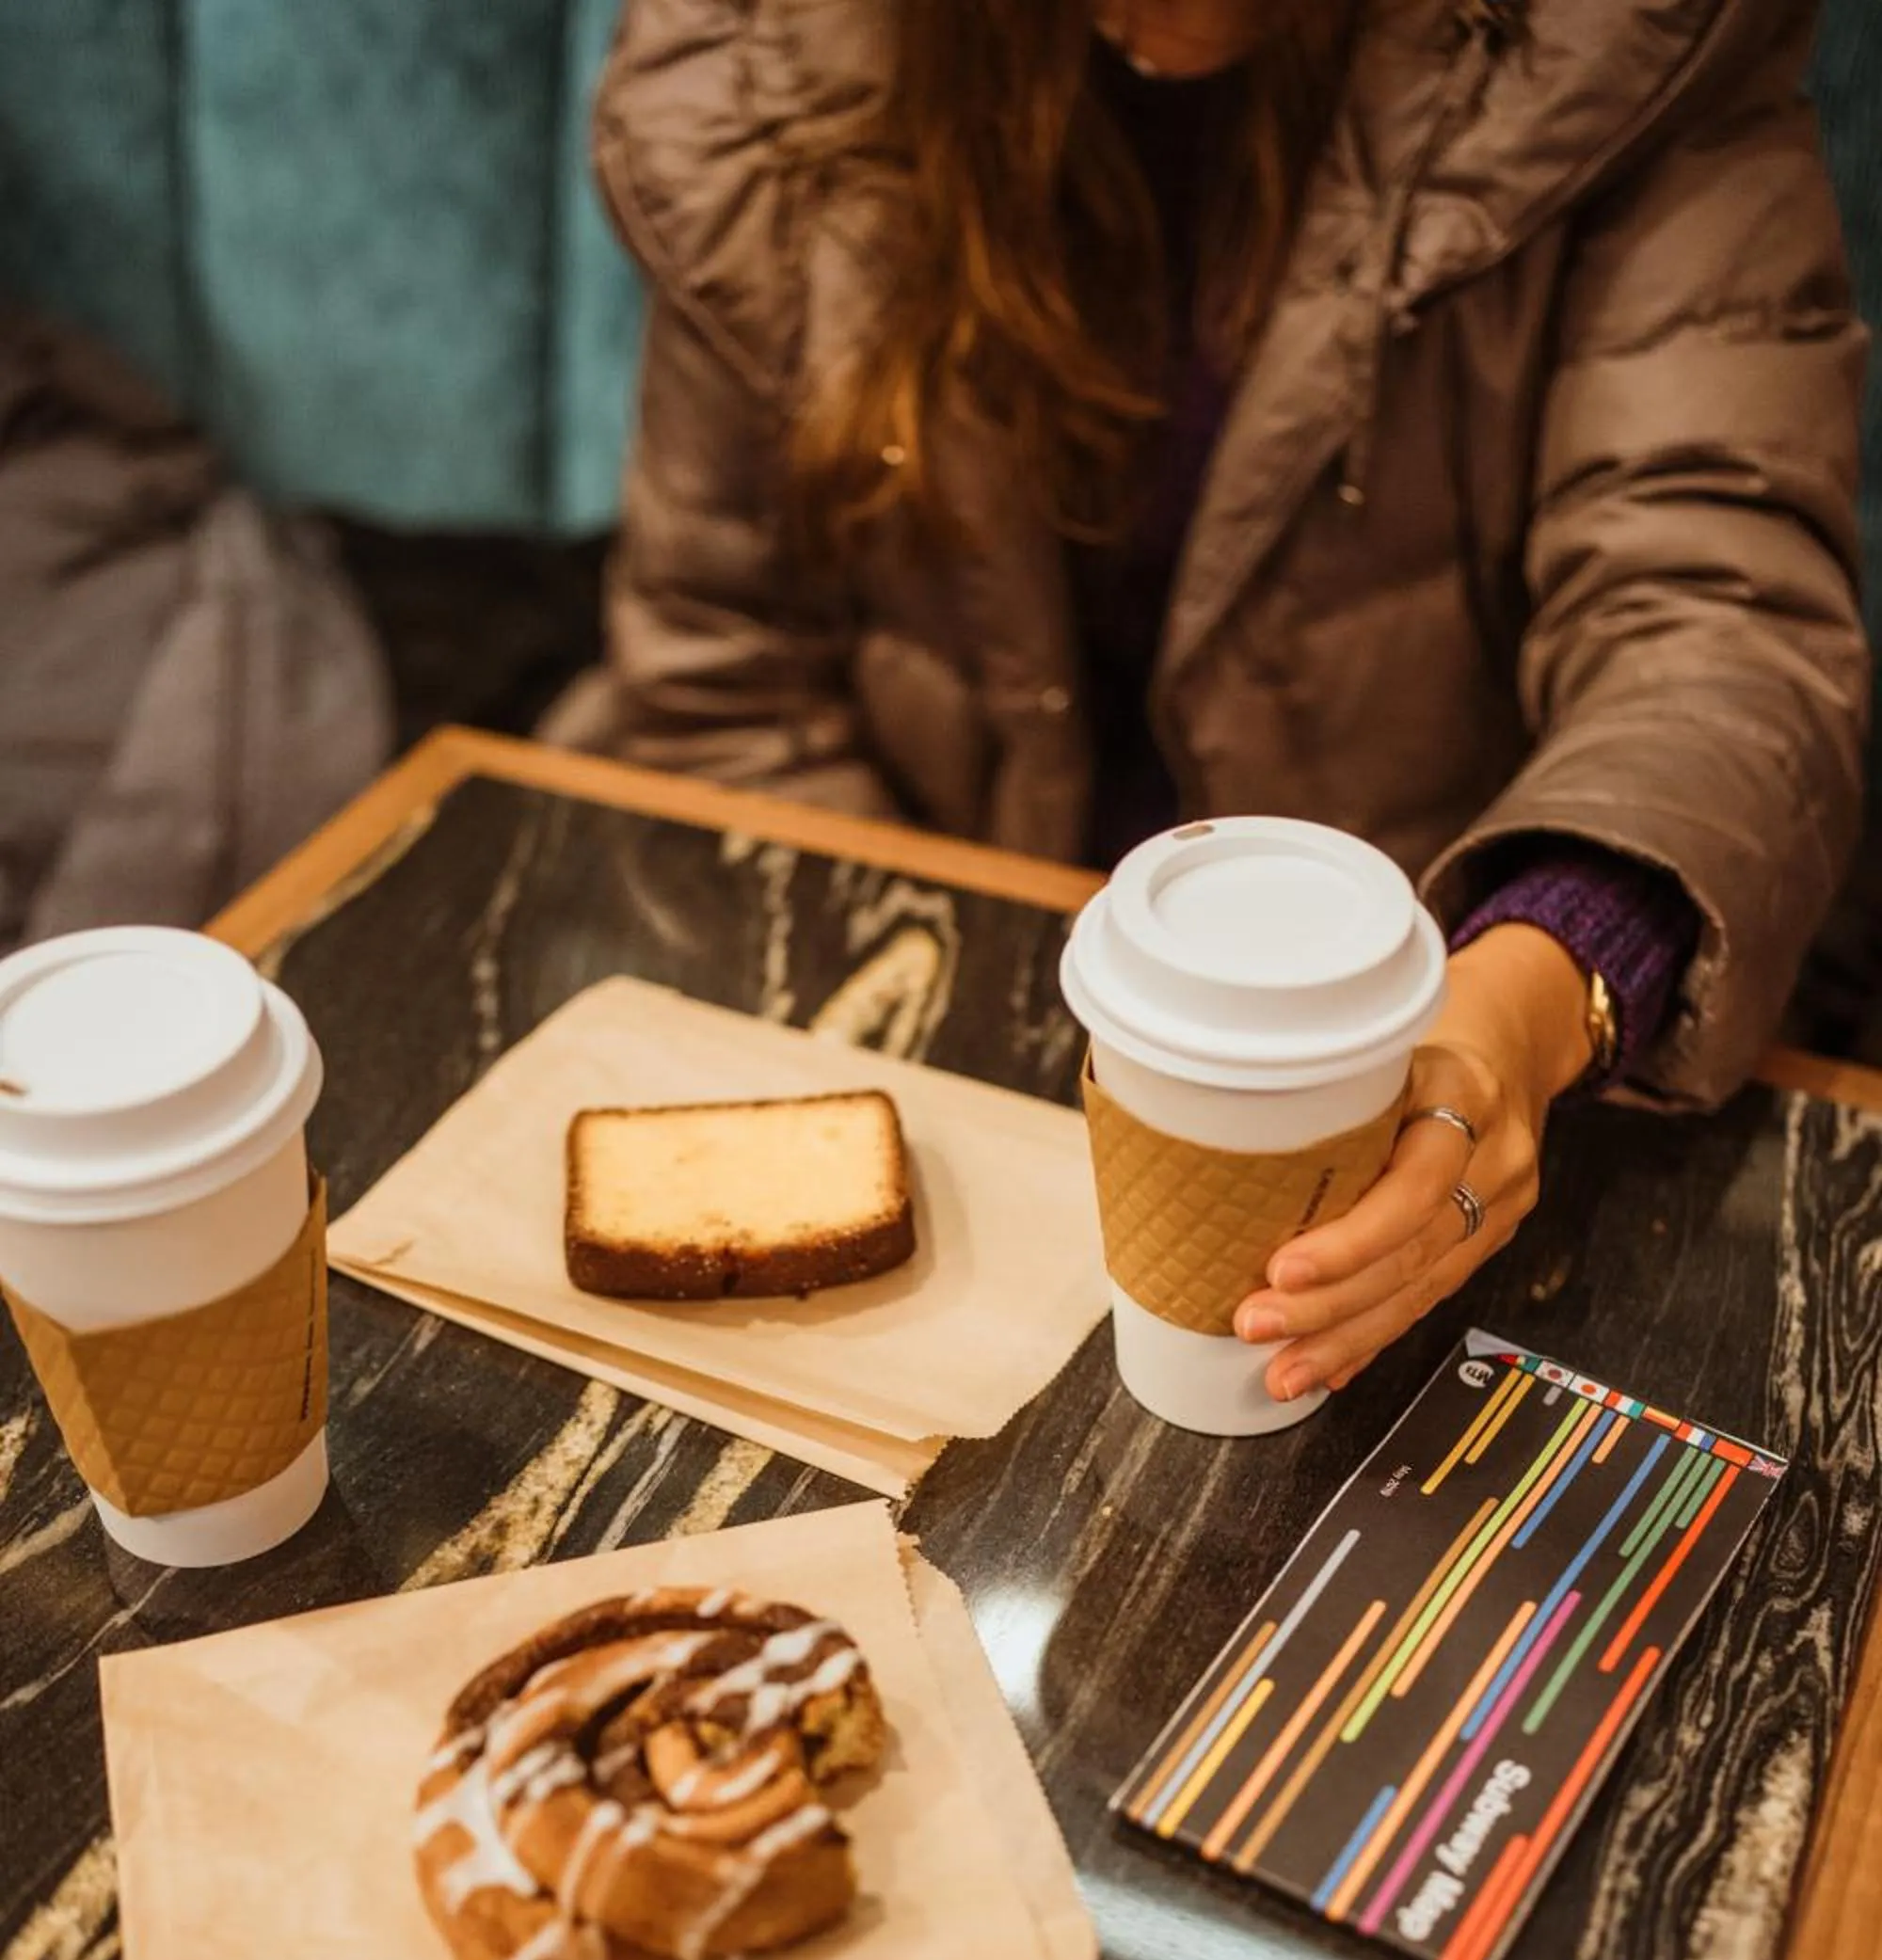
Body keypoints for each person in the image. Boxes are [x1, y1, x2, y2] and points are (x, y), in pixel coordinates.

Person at [575, 0, 1868, 1404]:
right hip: (949, 1017)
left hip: (1438, 1015)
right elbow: (722, 679)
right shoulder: (765, 55)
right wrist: (960, 1066)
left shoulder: (1632, 43)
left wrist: (1537, 979)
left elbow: (1715, 630)